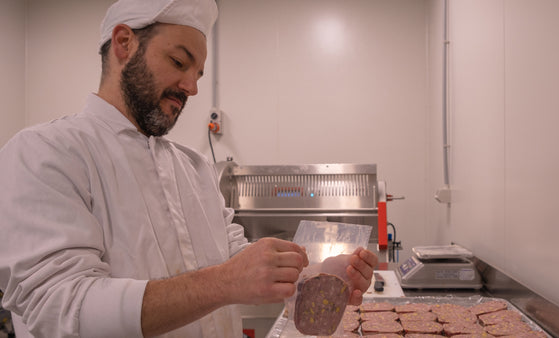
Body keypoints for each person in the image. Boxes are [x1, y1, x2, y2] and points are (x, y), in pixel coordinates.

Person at [0, 0, 378, 337]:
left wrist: (318, 276)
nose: (192, 88)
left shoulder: (194, 168)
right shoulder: (45, 153)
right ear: (124, 43)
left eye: (198, 73)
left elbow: (238, 264)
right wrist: (222, 284)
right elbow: (60, 309)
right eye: (179, 62)